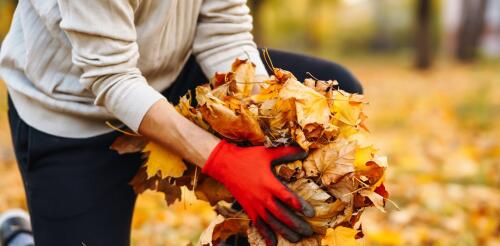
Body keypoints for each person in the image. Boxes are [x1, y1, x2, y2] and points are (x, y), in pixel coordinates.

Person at [0, 1, 362, 246]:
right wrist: (224, 161)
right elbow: (111, 78)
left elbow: (224, 32)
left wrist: (266, 121)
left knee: (333, 92)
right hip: (73, 110)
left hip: (173, 73)